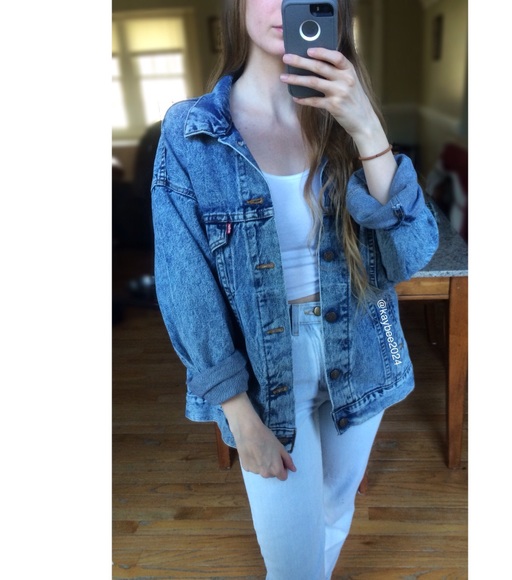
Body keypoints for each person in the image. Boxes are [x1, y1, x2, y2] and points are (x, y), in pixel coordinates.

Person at [151, 1, 439, 578]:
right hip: (266, 376)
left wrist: (366, 127)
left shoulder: (345, 121)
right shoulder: (191, 132)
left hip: (362, 352)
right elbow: (186, 288)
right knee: (291, 566)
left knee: (334, 512)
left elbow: (409, 255)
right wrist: (238, 414)